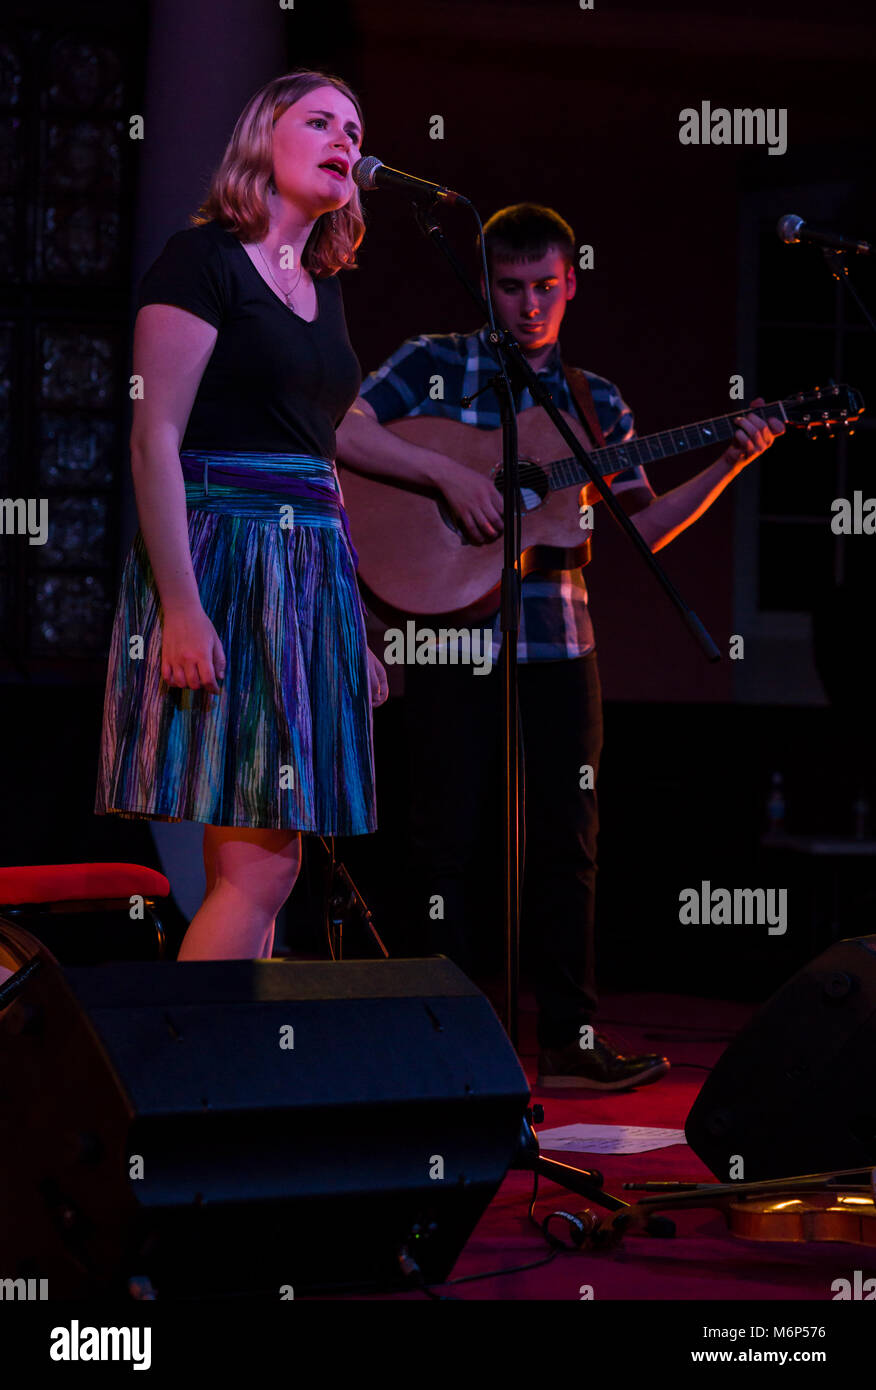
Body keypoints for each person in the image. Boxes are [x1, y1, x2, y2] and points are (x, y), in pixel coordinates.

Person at [335, 203, 784, 1088]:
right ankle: (443, 1043)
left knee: (569, 840)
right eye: (510, 288)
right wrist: (451, 474)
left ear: (572, 283)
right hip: (448, 639)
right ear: (485, 284)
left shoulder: (595, 402)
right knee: (444, 841)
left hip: (558, 643)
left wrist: (731, 459)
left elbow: (642, 526)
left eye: (547, 288)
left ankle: (570, 1042)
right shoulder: (433, 363)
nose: (529, 307)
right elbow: (341, 430)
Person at [94, 70, 388, 964]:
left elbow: (320, 443)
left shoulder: (319, 285)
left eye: (353, 126)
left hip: (309, 570)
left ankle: (226, 1084)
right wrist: (181, 608)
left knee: (265, 862)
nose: (345, 138)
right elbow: (156, 440)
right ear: (265, 134)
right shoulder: (203, 260)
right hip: (223, 557)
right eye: (320, 121)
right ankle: (186, 1082)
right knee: (263, 866)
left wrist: (353, 627)